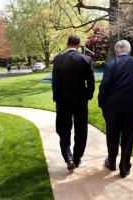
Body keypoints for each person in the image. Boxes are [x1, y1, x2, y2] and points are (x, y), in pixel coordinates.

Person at [98, 40, 133, 178]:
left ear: (117, 51)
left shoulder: (111, 63)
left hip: (112, 106)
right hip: (132, 105)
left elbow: (104, 85)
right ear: (129, 50)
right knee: (128, 135)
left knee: (112, 134)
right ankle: (124, 167)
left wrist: (101, 101)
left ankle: (111, 161)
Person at [52, 35, 95, 171]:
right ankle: (77, 158)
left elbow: (55, 81)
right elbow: (91, 81)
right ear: (79, 45)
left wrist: (57, 98)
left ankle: (68, 157)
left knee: (63, 129)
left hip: (63, 100)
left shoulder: (58, 59)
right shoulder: (86, 59)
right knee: (81, 129)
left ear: (67, 44)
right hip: (81, 100)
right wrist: (88, 95)